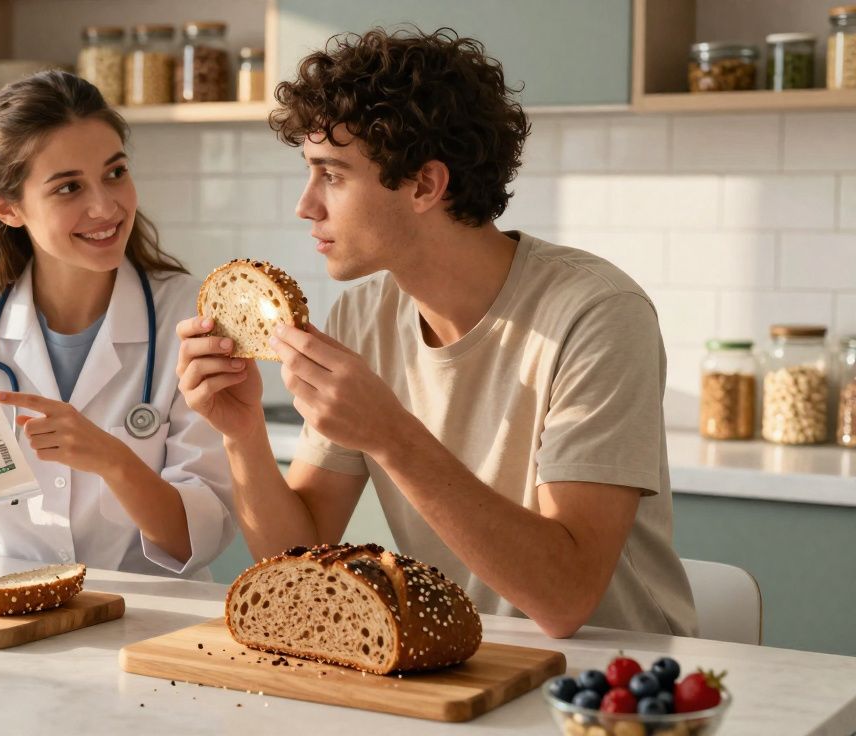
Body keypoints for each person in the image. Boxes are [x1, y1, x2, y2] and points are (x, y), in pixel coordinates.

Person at [175, 28, 696, 635]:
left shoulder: (598, 313)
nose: (306, 205)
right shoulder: (361, 316)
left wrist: (392, 434)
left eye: (332, 174)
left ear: (425, 184)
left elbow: (565, 598)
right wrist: (242, 434)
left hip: (615, 689)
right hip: (462, 666)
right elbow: (297, 558)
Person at [0, 71, 234, 580]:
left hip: (146, 620)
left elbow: (199, 540)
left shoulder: (188, 314)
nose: (105, 206)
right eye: (68, 187)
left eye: (114, 173)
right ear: (8, 208)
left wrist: (114, 460)